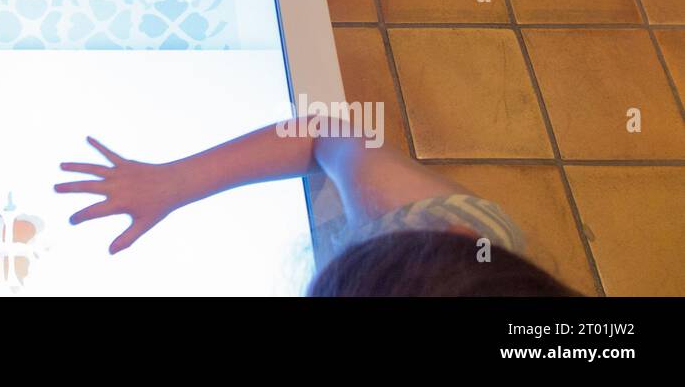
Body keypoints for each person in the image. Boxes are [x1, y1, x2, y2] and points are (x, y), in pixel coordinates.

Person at [56, 120, 578, 295]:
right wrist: (179, 179)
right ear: (456, 234)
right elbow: (326, 130)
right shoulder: (427, 220)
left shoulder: (444, 246)